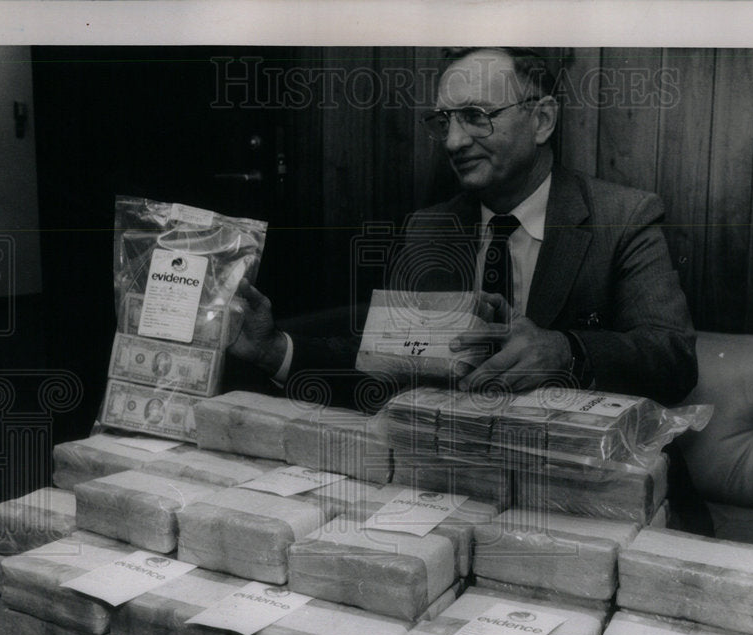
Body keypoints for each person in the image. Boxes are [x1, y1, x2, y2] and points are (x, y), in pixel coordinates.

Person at [228, 47, 710, 534]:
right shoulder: (427, 230)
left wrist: (565, 351)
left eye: (477, 117)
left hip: (596, 492)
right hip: (459, 491)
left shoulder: (623, 218)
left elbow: (672, 358)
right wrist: (275, 351)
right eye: (444, 121)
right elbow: (386, 364)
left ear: (542, 119)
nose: (454, 141)